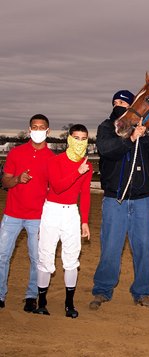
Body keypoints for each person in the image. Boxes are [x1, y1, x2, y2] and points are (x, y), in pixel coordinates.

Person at [89, 90, 149, 310]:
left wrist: (147, 135)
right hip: (116, 200)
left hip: (143, 200)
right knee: (110, 247)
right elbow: (107, 150)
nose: (118, 105)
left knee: (143, 248)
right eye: (115, 102)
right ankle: (102, 290)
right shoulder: (107, 127)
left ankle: (142, 292)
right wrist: (131, 138)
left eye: (123, 102)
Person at [33, 124, 92, 318]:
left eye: (84, 139)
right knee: (46, 255)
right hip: (52, 210)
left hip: (71, 213)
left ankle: (69, 303)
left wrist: (84, 221)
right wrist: (78, 172)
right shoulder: (55, 161)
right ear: (69, 139)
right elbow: (58, 187)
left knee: (71, 259)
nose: (80, 142)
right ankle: (41, 301)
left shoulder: (87, 165)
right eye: (77, 138)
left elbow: (84, 195)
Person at [0, 114, 55, 311]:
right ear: (29, 129)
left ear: (47, 131)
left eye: (42, 127)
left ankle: (32, 296)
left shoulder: (52, 159)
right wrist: (17, 179)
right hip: (12, 214)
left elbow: (56, 188)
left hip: (37, 217)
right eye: (35, 127)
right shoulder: (16, 153)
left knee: (36, 258)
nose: (38, 130)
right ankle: (0, 294)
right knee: (2, 255)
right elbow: (5, 181)